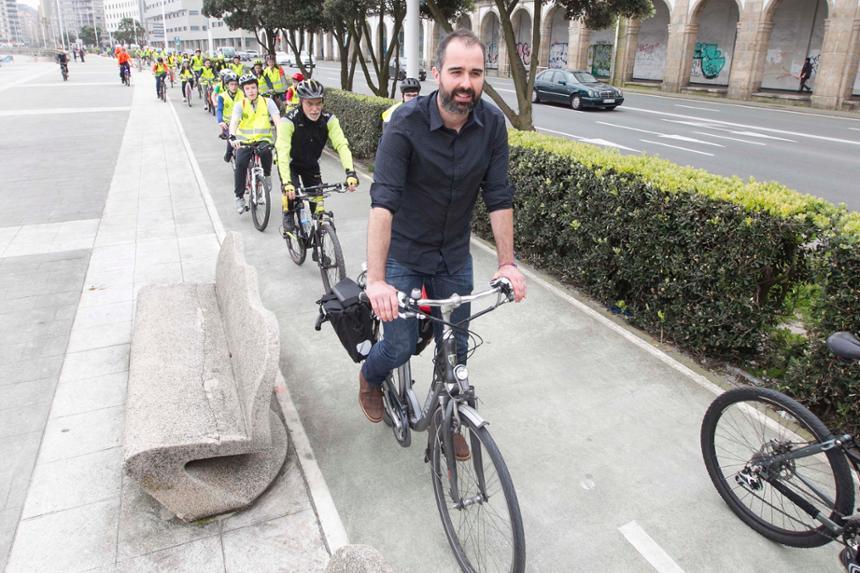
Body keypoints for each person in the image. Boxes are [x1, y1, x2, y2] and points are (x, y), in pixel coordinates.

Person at [360, 30, 527, 458]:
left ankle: (448, 413)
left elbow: (499, 195)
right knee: (397, 346)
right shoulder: (405, 124)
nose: (466, 83)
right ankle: (370, 376)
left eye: (475, 73)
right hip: (406, 255)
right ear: (437, 73)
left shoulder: (491, 126)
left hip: (453, 256)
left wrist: (507, 263)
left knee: (455, 347)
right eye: (456, 72)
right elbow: (383, 203)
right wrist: (376, 282)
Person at [275, 79, 358, 236]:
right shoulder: (289, 120)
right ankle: (288, 214)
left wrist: (350, 173)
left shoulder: (328, 119)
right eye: (309, 104)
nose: (315, 109)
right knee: (291, 195)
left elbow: (341, 145)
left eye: (318, 103)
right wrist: (286, 183)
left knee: (318, 207)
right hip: (290, 164)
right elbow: (282, 152)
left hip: (311, 164)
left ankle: (319, 240)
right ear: (301, 102)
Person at [229, 74, 280, 214]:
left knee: (266, 152)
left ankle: (267, 176)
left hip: (263, 139)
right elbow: (234, 121)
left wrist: (281, 137)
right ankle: (239, 197)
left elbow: (277, 120)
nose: (251, 91)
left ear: (258, 88)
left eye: (253, 87)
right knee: (240, 164)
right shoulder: (240, 105)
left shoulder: (268, 102)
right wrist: (232, 136)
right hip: (244, 140)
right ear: (243, 91)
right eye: (247, 88)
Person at [217, 72, 242, 162]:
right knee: (231, 140)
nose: (234, 87)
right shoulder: (222, 96)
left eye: (236, 84)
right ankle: (228, 153)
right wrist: (220, 121)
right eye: (231, 84)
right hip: (227, 124)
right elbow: (219, 110)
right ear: (227, 85)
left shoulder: (243, 94)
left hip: (241, 122)